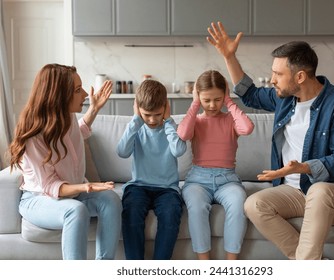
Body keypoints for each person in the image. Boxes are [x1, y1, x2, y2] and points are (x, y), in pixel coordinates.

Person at [207, 22, 334, 260]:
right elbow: (249, 95)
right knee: (254, 205)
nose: (272, 80)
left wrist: (305, 167)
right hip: (294, 191)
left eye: (278, 74)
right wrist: (229, 57)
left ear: (299, 76)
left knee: (319, 191)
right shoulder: (286, 99)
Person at [8, 63, 122, 260]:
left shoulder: (66, 117)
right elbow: (52, 187)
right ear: (58, 95)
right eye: (78, 90)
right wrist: (87, 187)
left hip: (73, 194)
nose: (85, 94)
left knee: (111, 200)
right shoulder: (32, 136)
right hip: (39, 199)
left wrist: (94, 109)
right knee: (75, 210)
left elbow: (79, 133)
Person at [177, 70, 254, 260]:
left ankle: (230, 264)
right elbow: (183, 134)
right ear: (198, 97)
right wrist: (195, 104)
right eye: (206, 100)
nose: (212, 105)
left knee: (238, 203)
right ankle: (205, 264)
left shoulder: (230, 120)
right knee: (196, 206)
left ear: (225, 96)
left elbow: (247, 128)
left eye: (218, 99)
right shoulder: (196, 120)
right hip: (197, 180)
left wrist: (230, 102)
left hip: (227, 180)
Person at [116, 79, 187, 260]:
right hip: (139, 186)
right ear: (137, 108)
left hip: (167, 189)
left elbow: (179, 150)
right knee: (131, 212)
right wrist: (135, 120)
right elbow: (122, 152)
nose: (153, 120)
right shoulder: (136, 127)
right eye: (147, 114)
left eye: (157, 114)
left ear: (166, 107)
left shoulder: (171, 127)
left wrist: (169, 121)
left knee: (171, 214)